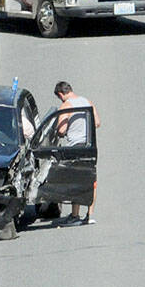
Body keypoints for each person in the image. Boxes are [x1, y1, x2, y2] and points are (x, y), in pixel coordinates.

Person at [53, 81, 100, 225]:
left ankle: (75, 216)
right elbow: (97, 122)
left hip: (75, 147)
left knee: (76, 180)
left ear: (61, 94)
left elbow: (61, 130)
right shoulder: (87, 102)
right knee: (90, 179)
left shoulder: (66, 105)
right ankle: (90, 215)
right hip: (90, 145)